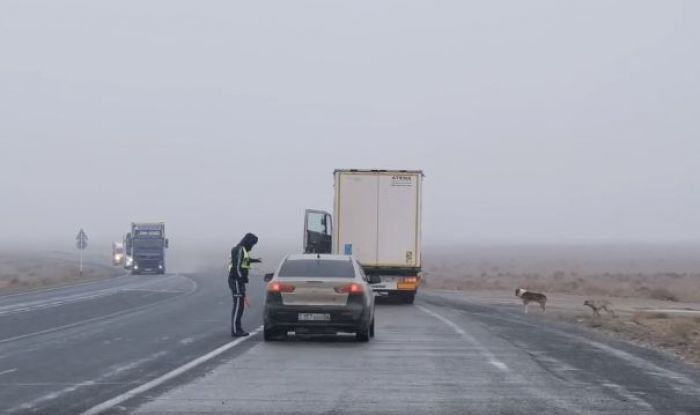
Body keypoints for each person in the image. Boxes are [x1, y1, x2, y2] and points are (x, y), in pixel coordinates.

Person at [229, 233, 261, 337]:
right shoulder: (239, 249)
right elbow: (237, 266)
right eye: (253, 244)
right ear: (249, 242)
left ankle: (238, 328)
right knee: (238, 305)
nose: (252, 246)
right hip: (237, 280)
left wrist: (254, 260)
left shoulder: (241, 250)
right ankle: (235, 330)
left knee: (240, 305)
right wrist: (241, 278)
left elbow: (244, 260)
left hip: (239, 281)